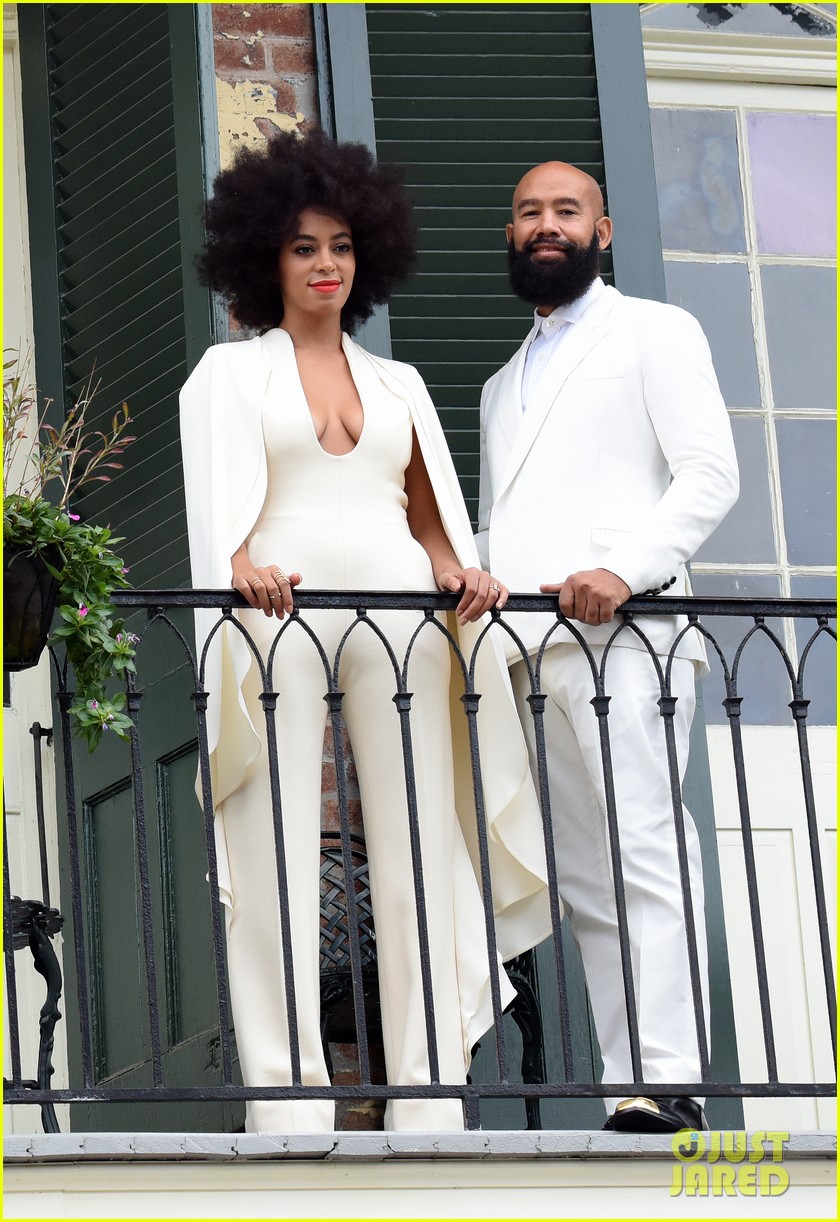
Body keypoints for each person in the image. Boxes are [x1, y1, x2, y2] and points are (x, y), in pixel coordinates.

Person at [179, 130, 550, 1134]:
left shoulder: (400, 385)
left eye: (341, 244)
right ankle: (287, 1099)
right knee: (274, 845)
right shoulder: (225, 376)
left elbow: (430, 520)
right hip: (278, 609)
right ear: (267, 258)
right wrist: (237, 567)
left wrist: (455, 571)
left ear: (366, 255)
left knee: (420, 844)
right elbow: (219, 511)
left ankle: (429, 1094)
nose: (326, 264)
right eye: (304, 247)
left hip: (402, 613)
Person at [476, 160, 739, 1133]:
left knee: (645, 848)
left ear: (606, 229)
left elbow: (709, 474)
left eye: (566, 211)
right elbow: (511, 528)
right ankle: (631, 1079)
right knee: (586, 878)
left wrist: (625, 571)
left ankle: (670, 1077)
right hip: (531, 656)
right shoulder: (504, 385)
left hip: (628, 637)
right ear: (512, 235)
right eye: (529, 213)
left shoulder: (656, 333)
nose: (547, 225)